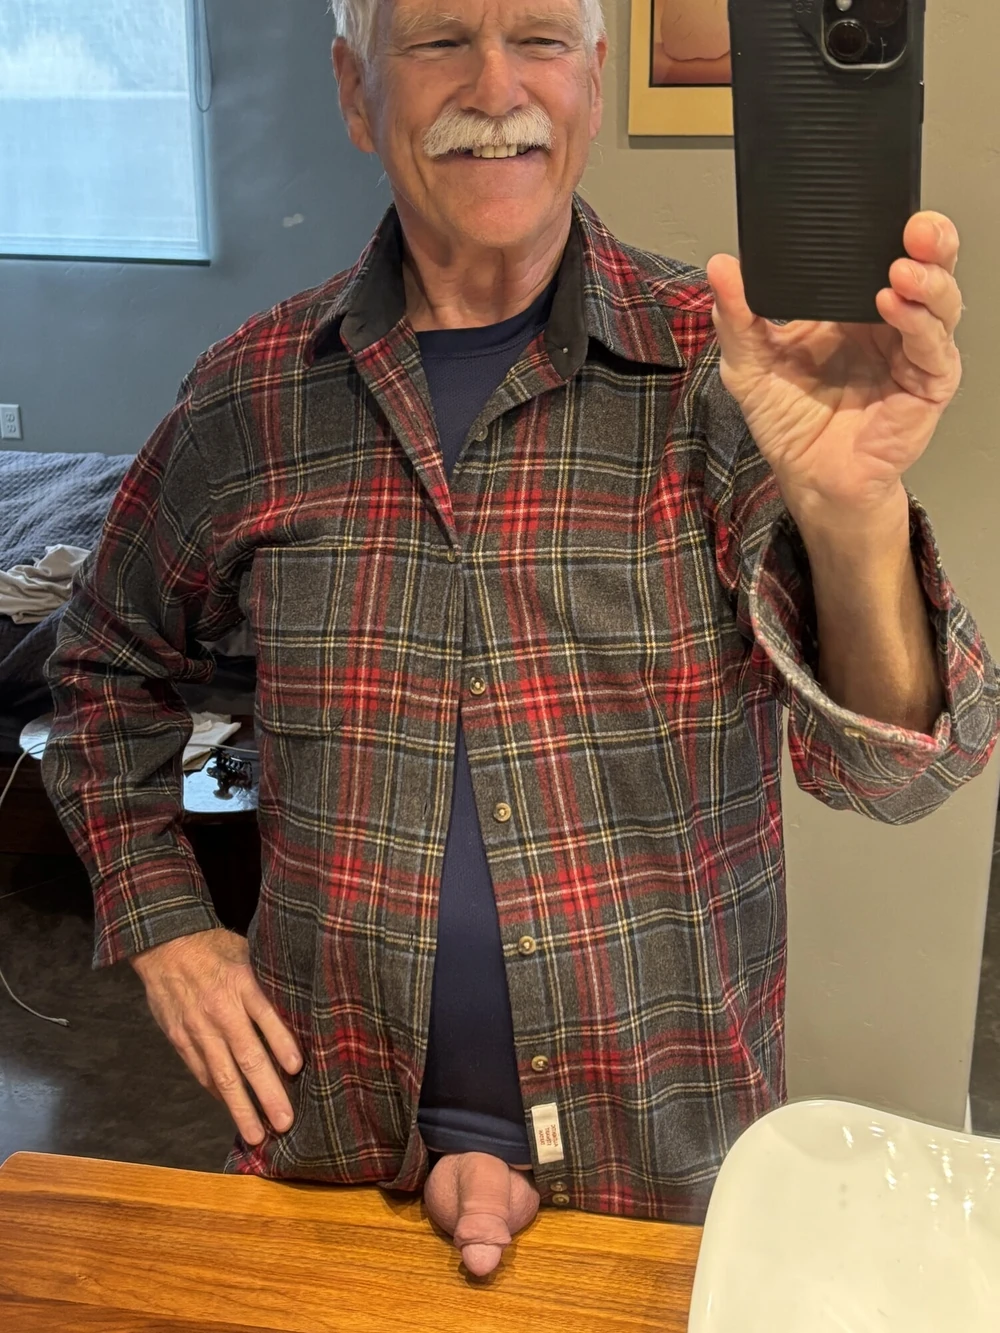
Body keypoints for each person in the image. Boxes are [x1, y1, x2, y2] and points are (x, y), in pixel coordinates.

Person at [42, 0, 997, 1280]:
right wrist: (165, 924)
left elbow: (892, 773)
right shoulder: (249, 398)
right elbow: (103, 669)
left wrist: (854, 508)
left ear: (592, 82)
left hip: (658, 1182)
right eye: (439, 40)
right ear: (355, 91)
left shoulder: (731, 373)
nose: (494, 87)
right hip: (331, 1155)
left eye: (540, 38)